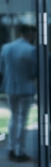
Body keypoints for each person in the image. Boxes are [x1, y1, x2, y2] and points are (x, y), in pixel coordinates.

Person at [0, 24, 37, 162]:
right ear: (28, 33)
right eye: (33, 34)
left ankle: (11, 147)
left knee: (14, 118)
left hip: (10, 87)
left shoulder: (6, 48)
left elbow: (2, 68)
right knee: (22, 119)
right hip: (26, 88)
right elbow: (34, 71)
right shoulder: (31, 49)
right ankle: (19, 151)